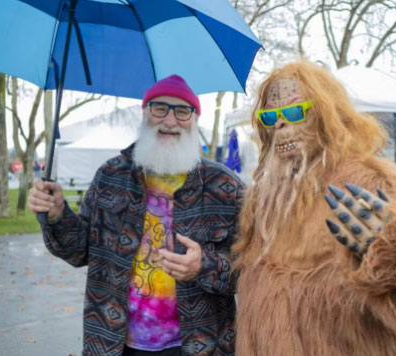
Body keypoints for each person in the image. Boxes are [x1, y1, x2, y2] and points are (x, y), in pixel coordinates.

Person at [233, 61, 396, 356]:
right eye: (270, 115)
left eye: (295, 111)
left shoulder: (367, 181)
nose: (280, 123)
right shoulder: (263, 199)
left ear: (326, 114)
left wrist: (395, 255)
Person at [28, 75, 243, 356]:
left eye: (182, 111)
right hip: (113, 343)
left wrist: (204, 266)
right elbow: (79, 251)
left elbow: (253, 268)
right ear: (145, 113)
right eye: (159, 108)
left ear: (194, 119)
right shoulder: (110, 175)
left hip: (200, 344)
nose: (170, 120)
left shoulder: (224, 186)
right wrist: (57, 216)